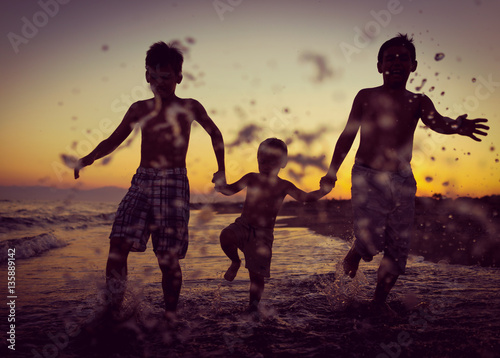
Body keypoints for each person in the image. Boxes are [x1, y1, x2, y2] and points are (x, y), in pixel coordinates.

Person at [321, 34, 489, 312]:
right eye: (390, 58)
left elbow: (438, 123)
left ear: (413, 66)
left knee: (398, 248)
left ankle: (378, 303)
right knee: (370, 240)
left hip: (401, 180)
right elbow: (348, 135)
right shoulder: (366, 96)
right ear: (379, 66)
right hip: (366, 175)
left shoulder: (418, 100)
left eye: (403, 58)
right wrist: (331, 173)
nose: (396, 62)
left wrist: (456, 126)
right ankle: (357, 251)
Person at [74, 41, 226, 317]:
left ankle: (170, 315)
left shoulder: (190, 106)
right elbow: (113, 140)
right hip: (142, 181)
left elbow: (215, 133)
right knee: (118, 243)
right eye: (153, 76)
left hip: (174, 183)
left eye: (166, 77)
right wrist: (89, 157)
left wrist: (221, 170)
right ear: (146, 75)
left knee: (166, 258)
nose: (159, 83)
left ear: (178, 77)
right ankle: (113, 311)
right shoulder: (139, 109)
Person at [215, 138, 331, 311]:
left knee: (257, 277)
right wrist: (220, 184)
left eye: (272, 161)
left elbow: (304, 198)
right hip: (244, 225)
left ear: (282, 163)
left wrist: (323, 191)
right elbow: (229, 190)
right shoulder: (251, 178)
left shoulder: (283, 185)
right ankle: (235, 261)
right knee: (225, 235)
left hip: (263, 236)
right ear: (257, 160)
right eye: (262, 161)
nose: (266, 165)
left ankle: (253, 308)